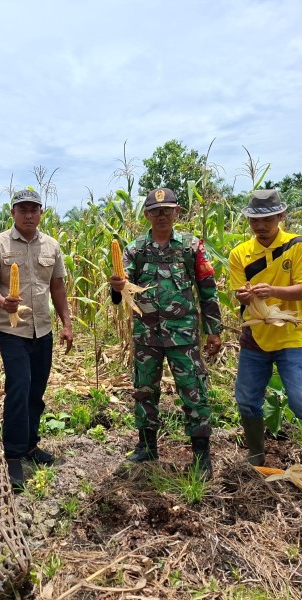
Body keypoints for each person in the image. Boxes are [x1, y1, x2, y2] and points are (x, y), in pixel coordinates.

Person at [230, 190, 302, 481]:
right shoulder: (239, 254)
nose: (261, 225)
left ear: (281, 216)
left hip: (291, 334)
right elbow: (239, 295)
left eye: (268, 218)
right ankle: (256, 454)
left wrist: (273, 291)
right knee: (246, 398)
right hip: (255, 334)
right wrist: (245, 296)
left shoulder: (299, 246)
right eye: (255, 219)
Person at [109, 188, 222, 477]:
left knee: (193, 390)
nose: (162, 216)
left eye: (167, 210)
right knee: (145, 390)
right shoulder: (135, 249)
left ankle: (201, 454)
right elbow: (121, 293)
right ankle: (147, 446)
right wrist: (116, 286)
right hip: (147, 336)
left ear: (177, 212)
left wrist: (213, 330)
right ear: (146, 214)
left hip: (182, 334)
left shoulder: (190, 247)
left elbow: (207, 290)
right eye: (155, 211)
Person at [0, 189, 74, 490]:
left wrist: (67, 324)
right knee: (18, 387)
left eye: (34, 209)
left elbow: (57, 288)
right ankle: (13, 455)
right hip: (12, 330)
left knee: (36, 390)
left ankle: (31, 445)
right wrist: (2, 300)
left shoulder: (52, 246)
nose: (29, 215)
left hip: (41, 329)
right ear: (13, 213)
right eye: (23, 210)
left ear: (41, 213)